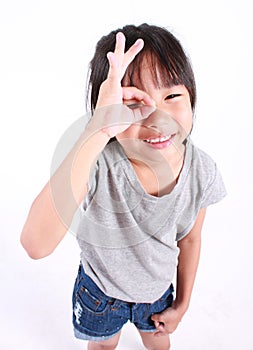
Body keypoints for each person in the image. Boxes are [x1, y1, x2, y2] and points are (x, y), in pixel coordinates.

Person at [20, 23, 226, 350]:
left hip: (157, 293)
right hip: (99, 293)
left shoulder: (202, 171)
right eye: (133, 103)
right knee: (102, 346)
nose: (157, 118)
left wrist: (183, 303)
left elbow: (190, 239)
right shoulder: (98, 160)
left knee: (159, 344)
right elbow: (35, 244)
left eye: (172, 95)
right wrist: (96, 132)